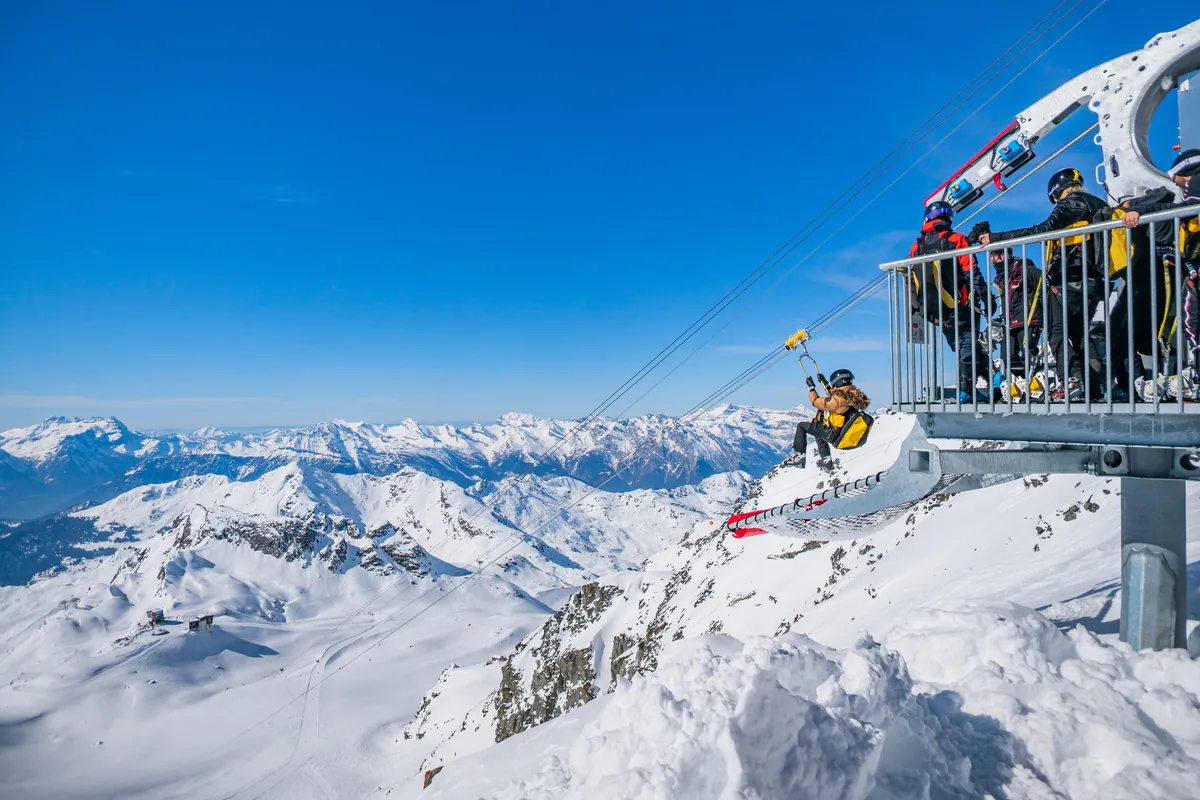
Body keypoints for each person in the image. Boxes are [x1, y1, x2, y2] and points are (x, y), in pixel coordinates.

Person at [977, 168, 1108, 401]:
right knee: (1079, 334)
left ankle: (1071, 382)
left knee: (1057, 333)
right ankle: (1093, 387)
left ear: (1057, 191)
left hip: (1070, 277)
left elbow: (1043, 229)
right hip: (1095, 278)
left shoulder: (1072, 203)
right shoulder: (1098, 203)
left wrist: (999, 238)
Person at [1119, 149, 1200, 391]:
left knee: (1192, 318)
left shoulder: (1196, 180)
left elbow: (1183, 209)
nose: (1178, 184)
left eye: (1178, 178)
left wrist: (1139, 210)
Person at [909, 200, 990, 401]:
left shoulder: (916, 247)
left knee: (962, 346)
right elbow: (971, 270)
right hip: (960, 305)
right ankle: (967, 390)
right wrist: (985, 295)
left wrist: (918, 308)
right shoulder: (957, 239)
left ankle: (990, 378)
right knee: (967, 344)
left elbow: (912, 279)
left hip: (934, 309)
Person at [791, 369, 870, 471]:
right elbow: (836, 397)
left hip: (834, 434)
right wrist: (825, 384)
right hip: (844, 432)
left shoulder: (837, 401)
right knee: (817, 427)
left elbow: (816, 402)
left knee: (803, 426)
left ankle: (799, 456)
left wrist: (811, 388)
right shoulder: (856, 396)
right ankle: (826, 460)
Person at [988, 247, 1043, 379]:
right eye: (991, 260)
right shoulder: (1001, 278)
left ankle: (1037, 379)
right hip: (1011, 321)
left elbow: (1042, 285)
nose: (993, 262)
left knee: (1028, 352)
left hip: (1028, 318)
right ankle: (1025, 381)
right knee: (1007, 356)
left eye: (994, 258)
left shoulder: (1024, 269)